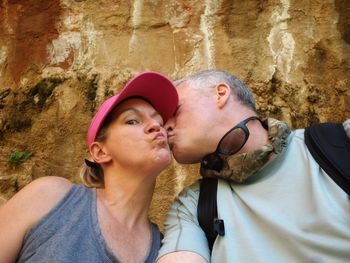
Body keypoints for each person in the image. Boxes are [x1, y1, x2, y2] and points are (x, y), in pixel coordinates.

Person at [157, 69, 350, 263]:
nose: (165, 128)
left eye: (176, 111)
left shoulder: (339, 144)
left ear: (221, 94)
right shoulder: (193, 206)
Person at [0, 71, 178, 263]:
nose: (156, 126)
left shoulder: (165, 253)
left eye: (159, 121)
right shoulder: (50, 198)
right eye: (132, 121)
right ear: (100, 152)